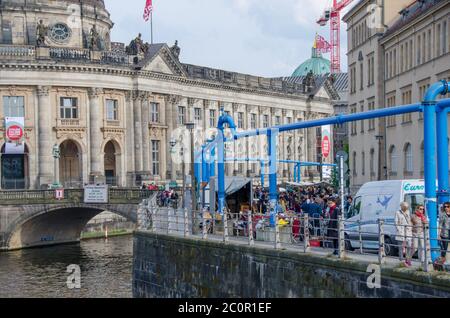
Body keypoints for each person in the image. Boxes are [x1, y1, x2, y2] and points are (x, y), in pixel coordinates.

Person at [395, 202, 413, 266]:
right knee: (401, 247)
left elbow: (410, 221)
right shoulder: (398, 213)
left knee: (409, 246)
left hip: (408, 231)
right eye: (404, 207)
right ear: (401, 206)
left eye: (407, 207)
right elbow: (396, 222)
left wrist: (410, 227)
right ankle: (401, 260)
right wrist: (399, 230)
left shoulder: (408, 212)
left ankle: (407, 260)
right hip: (401, 232)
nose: (406, 208)